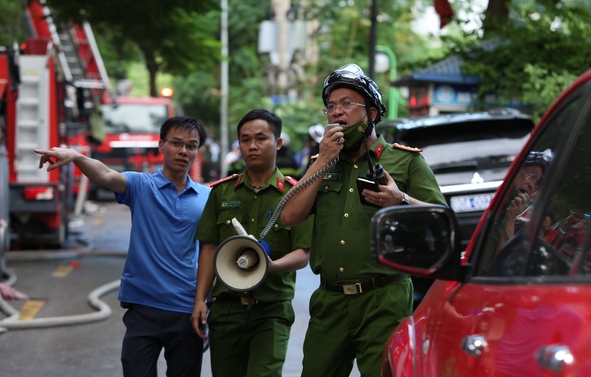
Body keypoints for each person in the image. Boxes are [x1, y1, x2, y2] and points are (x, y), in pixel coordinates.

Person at [280, 63, 446, 377]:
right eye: (330, 107)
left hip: (384, 298)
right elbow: (289, 216)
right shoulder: (322, 163)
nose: (336, 112)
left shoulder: (406, 160)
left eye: (346, 104)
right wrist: (323, 161)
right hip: (330, 302)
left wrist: (400, 199)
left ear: (371, 112)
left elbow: (438, 220)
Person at [34, 116, 210, 377]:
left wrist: (205, 301)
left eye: (191, 146)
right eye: (176, 143)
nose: (183, 151)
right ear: (161, 145)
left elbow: (211, 251)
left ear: (198, 151)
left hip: (186, 308)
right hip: (143, 305)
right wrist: (76, 156)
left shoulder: (207, 197)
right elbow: (105, 174)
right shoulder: (141, 185)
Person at [191, 109, 313, 377]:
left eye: (260, 138)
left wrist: (273, 266)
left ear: (278, 143)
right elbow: (210, 247)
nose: (252, 146)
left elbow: (303, 253)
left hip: (271, 311)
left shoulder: (295, 194)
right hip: (226, 310)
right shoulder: (221, 192)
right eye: (245, 140)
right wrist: (200, 298)